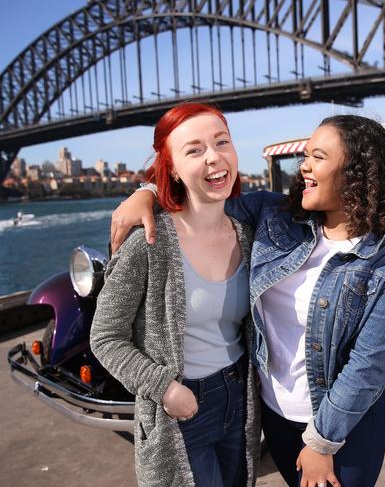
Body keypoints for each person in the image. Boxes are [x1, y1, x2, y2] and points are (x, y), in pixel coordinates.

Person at [111, 115, 385, 487]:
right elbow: (204, 201)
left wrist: (321, 443)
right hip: (273, 416)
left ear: (357, 172)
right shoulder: (276, 215)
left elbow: (368, 368)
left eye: (318, 157)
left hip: (340, 431)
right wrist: (147, 192)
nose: (304, 166)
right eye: (305, 155)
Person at [90, 103, 259, 487]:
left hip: (239, 397)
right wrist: (164, 388)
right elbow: (105, 337)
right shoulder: (148, 242)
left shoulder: (248, 235)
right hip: (179, 407)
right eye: (194, 150)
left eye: (222, 142)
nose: (214, 157)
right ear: (173, 169)